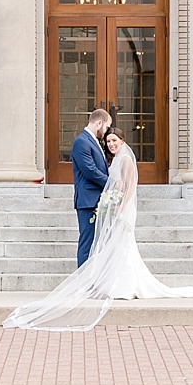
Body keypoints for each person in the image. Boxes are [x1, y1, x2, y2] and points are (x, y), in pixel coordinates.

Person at [4, 126, 193, 331]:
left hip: (123, 210)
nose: (111, 144)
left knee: (123, 246)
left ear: (122, 141)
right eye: (108, 141)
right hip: (115, 209)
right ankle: (120, 284)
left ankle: (126, 286)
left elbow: (130, 187)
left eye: (114, 140)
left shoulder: (126, 159)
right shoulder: (114, 160)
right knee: (117, 248)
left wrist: (121, 207)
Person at [70, 108, 111, 268]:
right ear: (99, 122)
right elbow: (90, 171)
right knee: (87, 243)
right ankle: (84, 285)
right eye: (106, 127)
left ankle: (93, 283)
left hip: (97, 200)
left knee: (96, 244)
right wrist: (111, 183)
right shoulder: (81, 142)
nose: (106, 132)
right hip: (87, 201)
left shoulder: (92, 141)